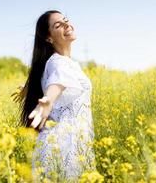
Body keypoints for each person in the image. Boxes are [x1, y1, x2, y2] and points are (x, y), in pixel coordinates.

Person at [13, 10, 96, 181]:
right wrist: (47, 100)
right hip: (64, 148)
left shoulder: (58, 63)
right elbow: (58, 83)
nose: (66, 24)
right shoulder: (60, 63)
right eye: (58, 25)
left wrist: (30, 87)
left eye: (66, 20)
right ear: (49, 38)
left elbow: (55, 79)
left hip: (67, 145)